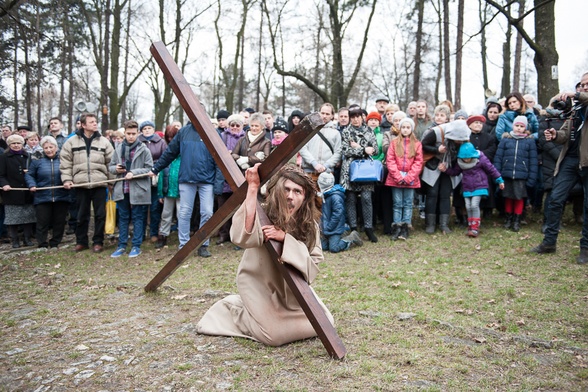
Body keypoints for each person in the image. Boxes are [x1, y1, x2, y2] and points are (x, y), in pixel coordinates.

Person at [197, 163, 334, 346]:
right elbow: (242, 238)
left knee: (326, 323)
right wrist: (252, 188)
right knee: (273, 336)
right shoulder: (263, 215)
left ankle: (261, 314)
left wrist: (286, 240)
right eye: (286, 189)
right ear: (277, 190)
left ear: (304, 197)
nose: (290, 196)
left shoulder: (310, 225)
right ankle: (234, 309)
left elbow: (313, 265)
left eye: (297, 192)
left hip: (293, 290)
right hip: (261, 288)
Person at [531, 73, 588, 262]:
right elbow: (566, 132)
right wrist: (555, 135)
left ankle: (585, 249)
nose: (584, 87)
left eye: (587, 84)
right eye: (582, 84)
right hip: (570, 160)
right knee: (555, 199)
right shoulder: (577, 109)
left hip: (587, 162)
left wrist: (574, 94)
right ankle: (549, 242)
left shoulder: (582, 101)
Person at [150, 120, 217, 258]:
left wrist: (219, 181)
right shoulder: (184, 132)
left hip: (207, 179)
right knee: (184, 212)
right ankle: (184, 246)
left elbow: (220, 157)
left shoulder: (212, 132)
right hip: (187, 178)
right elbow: (170, 152)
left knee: (207, 212)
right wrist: (156, 168)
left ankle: (203, 244)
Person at [60, 113, 114, 253]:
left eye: (96, 121)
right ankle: (81, 241)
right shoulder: (71, 142)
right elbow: (65, 162)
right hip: (80, 184)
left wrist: (111, 181)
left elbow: (111, 162)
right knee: (81, 215)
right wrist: (67, 179)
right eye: (91, 122)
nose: (95, 124)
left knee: (100, 214)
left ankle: (98, 242)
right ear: (83, 125)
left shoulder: (104, 142)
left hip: (99, 183)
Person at [109, 120, 153, 258]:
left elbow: (149, 168)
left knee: (138, 217)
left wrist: (134, 173)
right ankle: (122, 245)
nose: (131, 136)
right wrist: (115, 169)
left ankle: (136, 246)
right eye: (128, 133)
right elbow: (110, 167)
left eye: (134, 133)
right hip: (122, 188)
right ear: (124, 133)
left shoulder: (144, 149)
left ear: (138, 133)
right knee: (123, 217)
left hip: (139, 189)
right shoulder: (118, 149)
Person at [440, 142, 504, 237]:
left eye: (468, 158)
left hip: (480, 185)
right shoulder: (460, 162)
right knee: (468, 206)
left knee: (474, 205)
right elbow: (455, 172)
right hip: (467, 187)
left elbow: (491, 169)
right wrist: (446, 170)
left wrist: (500, 180)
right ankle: (470, 225)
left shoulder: (481, 159)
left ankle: (475, 227)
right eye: (464, 158)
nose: (466, 160)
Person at [421, 119, 471, 234]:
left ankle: (444, 224)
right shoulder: (436, 132)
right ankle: (430, 224)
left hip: (449, 168)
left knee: (445, 194)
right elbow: (423, 145)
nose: (459, 142)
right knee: (432, 194)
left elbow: (461, 153)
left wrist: (449, 166)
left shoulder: (465, 137)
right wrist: (436, 150)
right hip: (433, 166)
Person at [340, 105, 379, 243]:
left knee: (367, 198)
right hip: (350, 169)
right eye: (353, 117)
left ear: (362, 117)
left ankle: (368, 228)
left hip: (366, 169)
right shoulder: (346, 131)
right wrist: (363, 149)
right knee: (350, 199)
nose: (355, 120)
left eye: (358, 116)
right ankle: (353, 227)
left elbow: (375, 150)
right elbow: (345, 150)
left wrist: (360, 148)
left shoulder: (369, 130)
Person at [494, 116, 538, 232]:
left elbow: (533, 160)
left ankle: (517, 220)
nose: (519, 128)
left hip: (521, 175)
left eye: (522, 126)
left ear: (525, 128)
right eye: (517, 125)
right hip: (507, 174)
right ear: (513, 126)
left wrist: (531, 177)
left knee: (519, 198)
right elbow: (498, 157)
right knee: (508, 197)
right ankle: (508, 218)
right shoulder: (505, 140)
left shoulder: (529, 141)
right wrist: (497, 174)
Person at [25, 136, 70, 248]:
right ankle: (42, 243)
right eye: (46, 148)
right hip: (42, 197)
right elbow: (29, 175)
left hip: (61, 196)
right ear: (43, 149)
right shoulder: (37, 162)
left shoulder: (63, 160)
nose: (49, 150)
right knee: (42, 222)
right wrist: (32, 184)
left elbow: (69, 173)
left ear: (56, 147)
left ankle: (55, 242)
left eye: (51, 147)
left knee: (59, 221)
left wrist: (69, 182)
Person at [385, 118, 423, 240]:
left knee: (407, 203)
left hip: (410, 179)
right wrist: (398, 176)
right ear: (400, 129)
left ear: (411, 129)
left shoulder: (417, 144)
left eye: (408, 127)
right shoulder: (394, 143)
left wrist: (409, 177)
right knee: (397, 203)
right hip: (396, 179)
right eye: (403, 127)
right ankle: (397, 227)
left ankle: (405, 227)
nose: (405, 129)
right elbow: (390, 161)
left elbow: (418, 162)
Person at [215, 114, 246, 245]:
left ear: (242, 126)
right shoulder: (222, 136)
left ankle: (236, 235)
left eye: (237, 125)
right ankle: (223, 234)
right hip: (224, 177)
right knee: (223, 208)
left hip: (240, 175)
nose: (234, 127)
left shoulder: (245, 138)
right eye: (232, 125)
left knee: (238, 209)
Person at [0, 134, 35, 248]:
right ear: (9, 145)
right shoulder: (4, 157)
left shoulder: (28, 156)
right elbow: (1, 175)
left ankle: (27, 238)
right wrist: (5, 184)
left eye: (18, 143)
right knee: (12, 219)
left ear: (22, 144)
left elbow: (34, 172)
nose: (16, 145)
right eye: (13, 143)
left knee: (28, 217)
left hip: (27, 192)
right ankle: (15, 240)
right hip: (11, 193)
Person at [317, 171, 362, 252]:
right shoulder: (326, 194)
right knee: (322, 247)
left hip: (335, 227)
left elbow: (337, 214)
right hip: (327, 228)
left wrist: (330, 226)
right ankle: (332, 240)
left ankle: (351, 237)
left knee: (334, 248)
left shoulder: (335, 197)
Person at [138, 120, 167, 242]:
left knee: (155, 207)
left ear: (153, 129)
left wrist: (157, 169)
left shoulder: (161, 142)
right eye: (144, 129)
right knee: (142, 207)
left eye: (149, 128)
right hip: (141, 177)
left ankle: (154, 232)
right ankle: (141, 233)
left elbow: (165, 158)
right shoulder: (138, 142)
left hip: (156, 176)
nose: (147, 130)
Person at [298, 103, 342, 182]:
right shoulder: (310, 130)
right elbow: (302, 148)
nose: (324, 116)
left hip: (327, 173)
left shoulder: (336, 133)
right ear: (319, 113)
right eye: (322, 113)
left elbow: (338, 152)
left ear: (332, 116)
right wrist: (314, 163)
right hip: (308, 171)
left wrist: (326, 165)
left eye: (327, 114)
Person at [156, 126, 181, 249]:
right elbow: (161, 175)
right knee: (166, 215)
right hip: (168, 190)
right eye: (169, 137)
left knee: (182, 214)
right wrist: (160, 193)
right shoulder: (166, 154)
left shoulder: (183, 154)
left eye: (173, 137)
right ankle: (163, 236)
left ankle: (183, 236)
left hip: (181, 190)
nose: (171, 140)